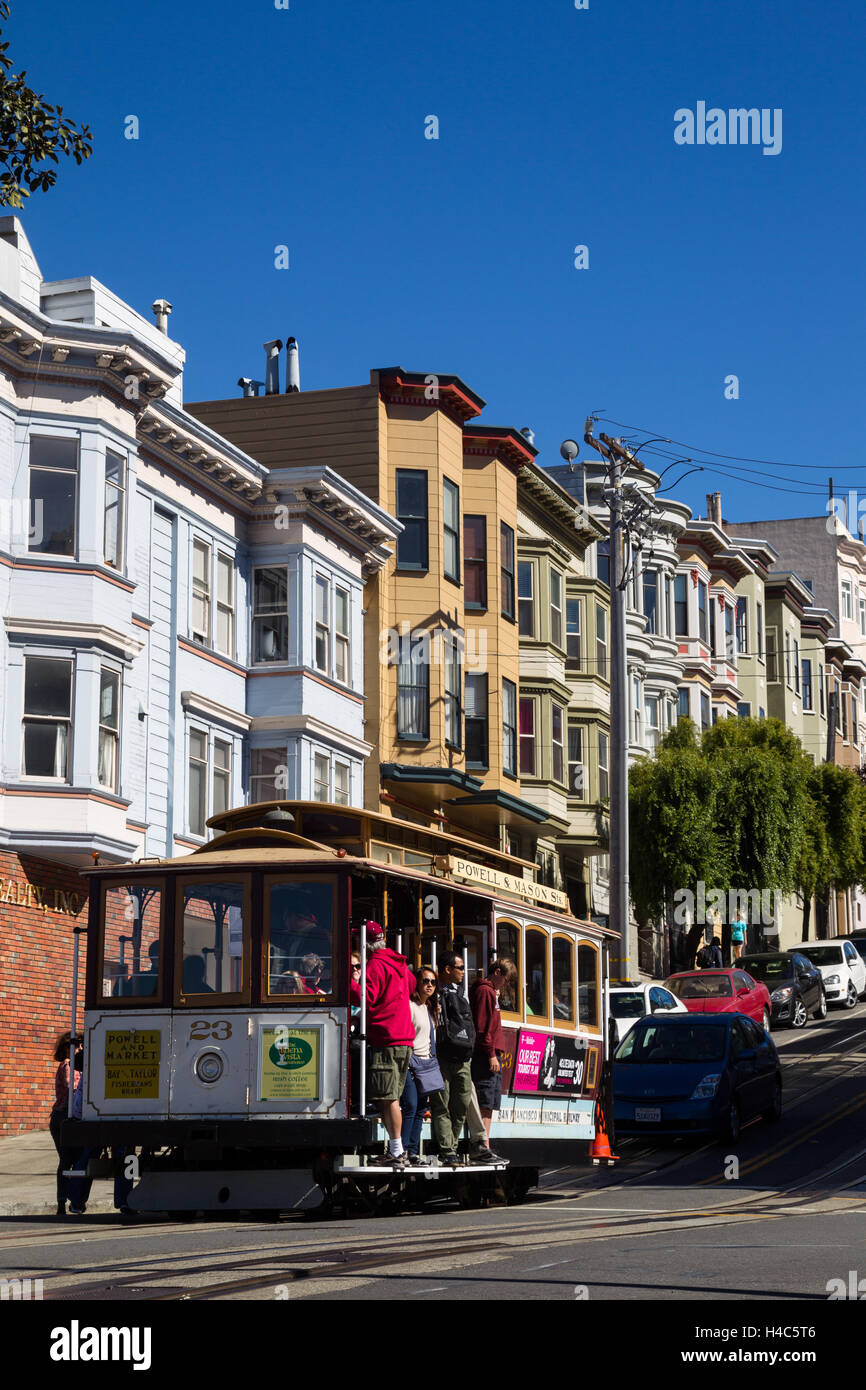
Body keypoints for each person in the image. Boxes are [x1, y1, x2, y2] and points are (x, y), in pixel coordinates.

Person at [349, 921, 415, 1167]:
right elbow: (411, 986)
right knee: (390, 1096)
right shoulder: (398, 963)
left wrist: (347, 982)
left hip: (387, 1038)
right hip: (402, 1037)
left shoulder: (376, 965)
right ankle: (397, 1150)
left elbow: (365, 997)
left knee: (388, 1098)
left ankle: (397, 1152)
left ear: (364, 943)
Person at [430, 951, 476, 1165]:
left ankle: (453, 1145)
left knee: (461, 1103)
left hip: (463, 1057)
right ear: (447, 969)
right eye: (460, 968)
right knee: (441, 1104)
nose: (463, 972)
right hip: (442, 1055)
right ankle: (447, 1150)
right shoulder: (434, 992)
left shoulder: (462, 992)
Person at [468, 958, 515, 1163]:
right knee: (485, 1101)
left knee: (490, 1102)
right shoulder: (485, 992)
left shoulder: (490, 992)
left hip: (492, 1052)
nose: (505, 984)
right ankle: (482, 1145)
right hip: (487, 1054)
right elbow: (483, 1028)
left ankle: (485, 1144)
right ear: (497, 972)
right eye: (505, 979)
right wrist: (491, 1054)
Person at [399, 967, 443, 1166]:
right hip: (410, 1064)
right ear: (417, 982)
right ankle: (403, 1150)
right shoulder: (410, 1005)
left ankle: (413, 1151)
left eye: (433, 982)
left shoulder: (430, 1008)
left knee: (421, 1109)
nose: (430, 985)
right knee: (411, 1105)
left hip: (425, 1066)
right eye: (426, 980)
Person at [49, 1032, 92, 1217]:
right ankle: (64, 1201)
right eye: (79, 1046)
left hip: (64, 1117)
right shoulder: (68, 1065)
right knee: (67, 1161)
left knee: (70, 1161)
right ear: (69, 1047)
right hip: (63, 1118)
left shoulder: (73, 1066)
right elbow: (70, 1088)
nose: (81, 1049)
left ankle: (68, 1200)